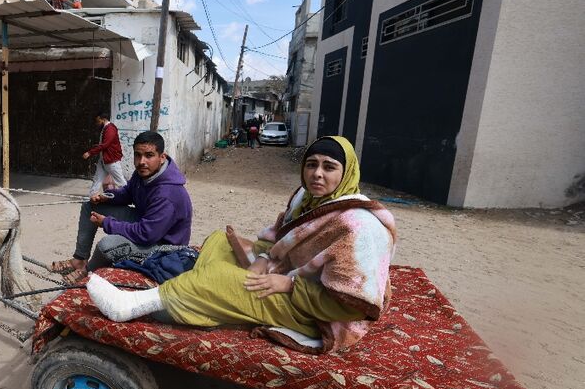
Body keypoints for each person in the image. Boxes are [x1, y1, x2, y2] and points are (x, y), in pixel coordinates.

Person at [87, 136, 397, 353]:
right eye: (311, 164)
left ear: (346, 173)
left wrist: (287, 286)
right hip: (288, 272)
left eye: (329, 167)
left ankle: (132, 305)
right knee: (220, 240)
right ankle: (207, 292)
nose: (317, 174)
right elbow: (278, 236)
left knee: (217, 278)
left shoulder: (358, 227)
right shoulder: (308, 198)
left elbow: (347, 305)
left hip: (316, 311)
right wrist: (263, 257)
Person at [51, 130, 193, 284]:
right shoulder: (144, 173)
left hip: (162, 245)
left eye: (149, 155)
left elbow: (145, 235)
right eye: (137, 155)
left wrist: (107, 223)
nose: (141, 161)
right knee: (89, 206)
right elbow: (128, 194)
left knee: (107, 245)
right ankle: (79, 260)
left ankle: (86, 272)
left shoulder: (167, 194)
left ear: (162, 157)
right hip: (146, 223)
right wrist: (106, 197)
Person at [84, 111, 127, 197]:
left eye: (98, 121)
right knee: (97, 179)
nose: (97, 123)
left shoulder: (110, 128)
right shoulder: (105, 128)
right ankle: (91, 196)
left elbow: (106, 144)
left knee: (121, 181)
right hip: (104, 159)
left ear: (103, 119)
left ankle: (131, 196)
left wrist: (90, 152)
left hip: (111, 160)